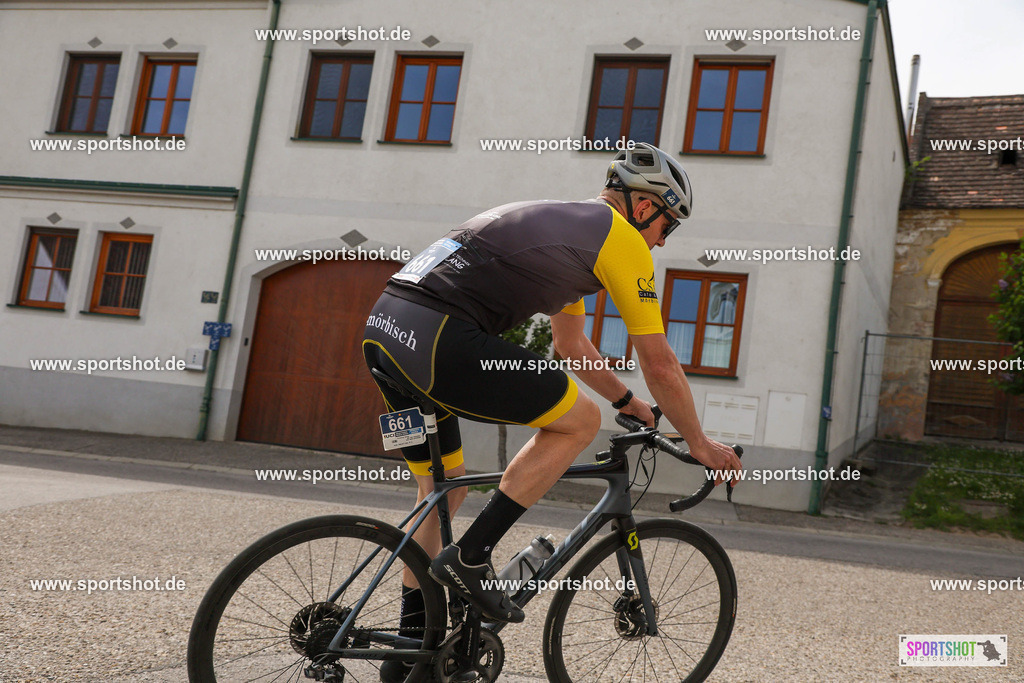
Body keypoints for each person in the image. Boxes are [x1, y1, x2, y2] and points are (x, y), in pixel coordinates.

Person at [362, 143, 743, 682]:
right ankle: (473, 558)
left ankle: (408, 652)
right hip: (439, 335)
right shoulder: (619, 239)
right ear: (642, 208)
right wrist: (699, 445)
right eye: (667, 225)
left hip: (386, 331)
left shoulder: (569, 234)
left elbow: (570, 346)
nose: (661, 242)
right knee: (578, 422)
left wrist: (628, 403)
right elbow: (658, 360)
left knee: (441, 491)